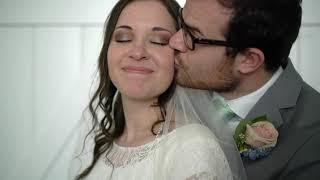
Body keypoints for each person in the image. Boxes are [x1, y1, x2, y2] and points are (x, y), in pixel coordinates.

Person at [70, 0, 245, 179]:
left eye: (158, 41)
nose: (138, 53)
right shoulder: (101, 144)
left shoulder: (192, 147)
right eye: (124, 38)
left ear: (178, 54)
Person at [169, 0, 320, 179]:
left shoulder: (311, 141)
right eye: (181, 22)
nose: (173, 41)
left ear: (248, 60)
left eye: (191, 36)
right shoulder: (170, 83)